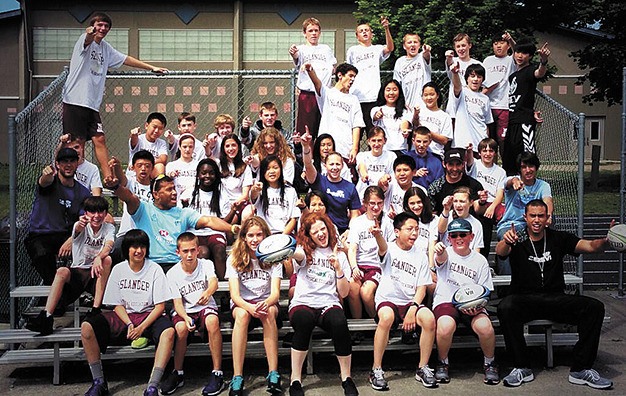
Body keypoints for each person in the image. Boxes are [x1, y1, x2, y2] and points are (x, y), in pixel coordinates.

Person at [496, 200, 613, 390]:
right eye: (532, 216)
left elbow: (591, 246)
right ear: (525, 218)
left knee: (594, 307)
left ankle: (581, 369)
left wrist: (606, 240)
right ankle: (521, 366)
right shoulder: (516, 239)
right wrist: (506, 241)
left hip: (554, 298)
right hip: (525, 299)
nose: (536, 220)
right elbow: (502, 253)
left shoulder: (558, 238)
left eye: (540, 216)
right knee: (506, 307)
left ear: (547, 218)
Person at [62, 12, 168, 180]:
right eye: (99, 25)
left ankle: (109, 178)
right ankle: (71, 179)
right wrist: (89, 33)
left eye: (106, 26)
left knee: (100, 139)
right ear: (93, 26)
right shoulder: (84, 40)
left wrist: (151, 68)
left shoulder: (106, 48)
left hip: (92, 105)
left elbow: (126, 59)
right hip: (74, 101)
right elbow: (88, 39)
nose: (102, 29)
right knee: (76, 144)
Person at [80, 230, 174, 396]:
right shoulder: (118, 269)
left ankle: (153, 386)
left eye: (143, 246)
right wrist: (130, 324)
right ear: (127, 249)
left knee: (168, 332)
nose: (139, 251)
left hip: (148, 314)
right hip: (124, 316)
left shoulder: (155, 269)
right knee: (87, 327)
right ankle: (99, 382)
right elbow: (116, 305)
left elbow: (160, 306)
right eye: (134, 247)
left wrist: (141, 327)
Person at [286, 212, 358, 396]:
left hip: (328, 303)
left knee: (339, 322)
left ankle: (346, 378)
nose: (320, 234)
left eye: (323, 229)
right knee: (303, 321)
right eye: (315, 231)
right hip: (303, 303)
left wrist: (339, 269)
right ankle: (295, 380)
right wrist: (286, 249)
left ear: (329, 229)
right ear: (309, 235)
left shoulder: (339, 255)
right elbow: (297, 255)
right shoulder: (305, 250)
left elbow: (343, 293)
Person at [102, 173, 232, 272]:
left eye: (174, 188)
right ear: (156, 194)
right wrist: (116, 187)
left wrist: (233, 229)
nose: (175, 193)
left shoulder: (183, 213)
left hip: (176, 266)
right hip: (149, 265)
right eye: (169, 190)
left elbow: (209, 220)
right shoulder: (143, 209)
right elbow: (129, 197)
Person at [25, 196, 114, 335]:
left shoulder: (109, 227)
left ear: (106, 213)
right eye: (92, 212)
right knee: (61, 271)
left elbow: (109, 245)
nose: (97, 216)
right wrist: (80, 225)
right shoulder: (80, 226)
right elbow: (77, 229)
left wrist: (98, 257)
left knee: (107, 259)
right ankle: (46, 316)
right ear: (86, 213)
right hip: (78, 272)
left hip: (96, 275)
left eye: (100, 212)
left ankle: (95, 309)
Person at [370, 212, 437, 390]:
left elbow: (422, 287)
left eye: (417, 229)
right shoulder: (389, 248)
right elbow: (382, 248)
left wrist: (413, 308)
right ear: (397, 232)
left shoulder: (421, 254)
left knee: (429, 319)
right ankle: (376, 369)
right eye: (409, 229)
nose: (414, 233)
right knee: (385, 318)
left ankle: (422, 368)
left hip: (410, 301)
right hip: (388, 300)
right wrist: (378, 235)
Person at [432, 218, 498, 385]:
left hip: (472, 302)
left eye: (463, 234)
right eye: (454, 235)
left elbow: (486, 290)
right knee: (446, 326)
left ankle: (489, 363)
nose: (458, 238)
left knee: (485, 327)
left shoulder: (480, 260)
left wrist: (478, 307)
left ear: (471, 236)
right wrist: (439, 251)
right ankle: (442, 362)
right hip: (446, 300)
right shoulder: (445, 252)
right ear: (449, 238)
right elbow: (441, 259)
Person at [226, 217, 283, 396]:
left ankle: (273, 373)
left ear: (266, 235)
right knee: (242, 316)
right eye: (250, 235)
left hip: (267, 301)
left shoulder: (274, 257)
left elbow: (275, 294)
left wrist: (263, 305)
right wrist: (250, 308)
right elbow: (235, 295)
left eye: (259, 234)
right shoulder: (234, 258)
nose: (254, 239)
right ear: (243, 237)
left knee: (268, 314)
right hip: (242, 304)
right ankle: (237, 376)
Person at [162, 232, 224, 396]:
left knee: (212, 321)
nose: (189, 255)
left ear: (198, 250)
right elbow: (177, 303)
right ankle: (178, 372)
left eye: (192, 250)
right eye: (185, 251)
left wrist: (208, 293)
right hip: (185, 309)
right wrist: (186, 317)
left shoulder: (206, 264)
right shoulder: (173, 273)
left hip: (204, 306)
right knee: (181, 328)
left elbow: (214, 282)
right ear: (178, 252)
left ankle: (217, 372)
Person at [25, 148, 92, 285]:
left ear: (77, 164)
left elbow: (83, 221)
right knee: (42, 255)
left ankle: (72, 289)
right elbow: (44, 182)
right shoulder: (51, 183)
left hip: (66, 234)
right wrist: (46, 175)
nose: (68, 165)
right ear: (57, 164)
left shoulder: (83, 191)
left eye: (72, 161)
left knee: (89, 251)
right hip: (41, 234)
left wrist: (71, 240)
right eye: (64, 161)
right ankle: (59, 293)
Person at [496, 152, 553, 274]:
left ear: (536, 167)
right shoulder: (512, 181)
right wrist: (515, 181)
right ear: (519, 169)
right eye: (523, 167)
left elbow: (547, 201)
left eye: (531, 166)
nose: (528, 170)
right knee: (507, 240)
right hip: (510, 224)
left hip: (533, 225)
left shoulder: (543, 185)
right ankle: (506, 284)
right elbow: (510, 182)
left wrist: (548, 215)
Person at [305, 62, 365, 177]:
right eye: (350, 76)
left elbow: (356, 125)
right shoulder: (328, 93)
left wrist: (355, 148)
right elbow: (317, 83)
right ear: (340, 75)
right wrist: (310, 70)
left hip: (345, 147)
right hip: (326, 147)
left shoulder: (354, 100)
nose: (352, 80)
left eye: (354, 77)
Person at [503, 39, 551, 175]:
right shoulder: (513, 76)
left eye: (524, 53)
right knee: (509, 157)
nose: (519, 55)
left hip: (524, 121)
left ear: (530, 56)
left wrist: (543, 61)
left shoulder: (530, 71)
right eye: (517, 52)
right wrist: (511, 42)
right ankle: (512, 188)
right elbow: (515, 48)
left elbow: (539, 73)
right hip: (512, 121)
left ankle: (530, 188)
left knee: (527, 157)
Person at [347, 186, 394, 322]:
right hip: (360, 265)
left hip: (378, 266)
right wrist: (354, 267)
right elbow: (352, 248)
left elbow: (390, 250)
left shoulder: (388, 223)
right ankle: (358, 326)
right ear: (365, 203)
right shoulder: (357, 222)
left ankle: (379, 322)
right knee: (352, 288)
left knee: (366, 292)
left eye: (379, 203)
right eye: (372, 203)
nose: (376, 207)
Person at [301, 129, 361, 234]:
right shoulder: (318, 180)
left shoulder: (350, 188)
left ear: (342, 166)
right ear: (325, 166)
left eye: (337, 164)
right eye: (331, 164)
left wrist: (350, 231)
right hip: (319, 229)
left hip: (342, 230)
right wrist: (306, 146)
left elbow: (354, 214)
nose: (334, 168)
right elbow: (308, 164)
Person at [181, 158, 232, 280]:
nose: (207, 176)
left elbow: (224, 221)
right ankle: (201, 285)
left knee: (219, 251)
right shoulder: (188, 194)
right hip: (195, 233)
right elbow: (182, 217)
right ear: (198, 174)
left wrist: (234, 210)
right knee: (202, 253)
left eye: (211, 173)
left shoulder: (222, 194)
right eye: (203, 173)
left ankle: (224, 289)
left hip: (215, 233)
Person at [290, 17, 337, 142]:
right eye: (310, 31)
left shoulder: (326, 49)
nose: (314, 33)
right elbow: (296, 58)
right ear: (304, 33)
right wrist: (293, 53)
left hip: (324, 94)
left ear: (320, 32)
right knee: (306, 132)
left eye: (316, 30)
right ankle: (306, 158)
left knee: (324, 130)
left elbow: (333, 67)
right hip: (308, 95)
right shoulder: (301, 49)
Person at [347, 16, 394, 136]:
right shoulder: (353, 50)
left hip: (374, 98)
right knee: (355, 134)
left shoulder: (377, 49)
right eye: (361, 31)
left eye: (367, 30)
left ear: (371, 33)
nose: (364, 32)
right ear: (357, 36)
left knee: (374, 134)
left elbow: (390, 48)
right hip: (357, 98)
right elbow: (348, 72)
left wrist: (386, 28)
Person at [109, 150, 154, 264]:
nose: (143, 169)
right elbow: (121, 179)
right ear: (133, 167)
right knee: (115, 253)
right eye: (139, 166)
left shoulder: (156, 187)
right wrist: (117, 167)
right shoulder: (131, 183)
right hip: (126, 233)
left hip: (148, 234)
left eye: (147, 166)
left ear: (152, 168)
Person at [466, 138, 507, 259]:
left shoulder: (500, 172)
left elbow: (500, 193)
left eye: (491, 151)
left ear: (495, 153)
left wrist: (493, 207)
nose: (488, 154)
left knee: (487, 228)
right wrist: (469, 151)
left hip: (491, 204)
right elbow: (468, 162)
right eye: (485, 150)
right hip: (475, 201)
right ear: (479, 153)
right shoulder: (475, 165)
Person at [482, 32, 516, 155]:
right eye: (495, 44)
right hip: (489, 106)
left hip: (504, 106)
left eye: (501, 43)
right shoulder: (487, 60)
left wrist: (511, 39)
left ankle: (506, 168)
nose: (498, 46)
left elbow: (516, 50)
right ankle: (492, 166)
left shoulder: (511, 60)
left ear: (507, 45)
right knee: (490, 141)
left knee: (503, 139)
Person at [249, 155, 301, 235]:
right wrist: (255, 189)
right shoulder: (260, 189)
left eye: (275, 167)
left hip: (285, 234)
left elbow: (293, 219)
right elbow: (253, 196)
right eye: (267, 169)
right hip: (265, 235)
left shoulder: (290, 191)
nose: (272, 171)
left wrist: (282, 237)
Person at [449, 61, 493, 153]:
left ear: (482, 80)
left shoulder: (485, 99)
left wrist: (485, 143)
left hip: (480, 143)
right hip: (462, 143)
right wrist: (455, 73)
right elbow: (457, 86)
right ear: (467, 78)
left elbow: (487, 123)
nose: (475, 79)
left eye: (479, 77)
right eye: (472, 76)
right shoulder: (462, 92)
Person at [427, 148, 487, 215]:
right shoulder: (435, 188)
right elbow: (432, 213)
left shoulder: (474, 185)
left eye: (458, 164)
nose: (455, 169)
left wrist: (482, 202)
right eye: (451, 164)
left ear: (463, 164)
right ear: (444, 164)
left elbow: (479, 211)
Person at [216, 134, 253, 224]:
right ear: (223, 149)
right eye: (227, 146)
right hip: (224, 203)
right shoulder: (218, 165)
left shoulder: (245, 167)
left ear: (238, 147)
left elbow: (245, 195)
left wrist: (235, 204)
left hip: (240, 202)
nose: (231, 149)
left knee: (248, 213)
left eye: (233, 145)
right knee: (232, 219)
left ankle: (242, 237)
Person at [444, 33, 482, 118]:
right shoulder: (453, 61)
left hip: (472, 107)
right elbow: (449, 63)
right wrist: (449, 57)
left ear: (470, 45)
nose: (461, 49)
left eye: (463, 45)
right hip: (454, 107)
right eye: (458, 46)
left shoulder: (477, 64)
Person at [370, 79, 413, 154]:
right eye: (388, 90)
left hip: (400, 149)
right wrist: (377, 115)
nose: (391, 93)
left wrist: (404, 130)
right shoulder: (376, 109)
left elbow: (405, 123)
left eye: (395, 89)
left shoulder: (406, 111)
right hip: (383, 149)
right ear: (383, 92)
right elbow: (375, 117)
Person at [437, 187, 484, 253]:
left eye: (462, 201)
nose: (458, 205)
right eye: (455, 201)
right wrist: (446, 209)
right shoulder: (447, 215)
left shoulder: (476, 224)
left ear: (471, 203)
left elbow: (477, 250)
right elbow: (440, 230)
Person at [414, 82, 453, 160]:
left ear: (437, 95)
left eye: (432, 94)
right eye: (425, 95)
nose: (429, 98)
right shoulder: (418, 111)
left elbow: (445, 140)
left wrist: (426, 132)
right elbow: (414, 126)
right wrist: (415, 116)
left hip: (435, 154)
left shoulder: (445, 116)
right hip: (417, 154)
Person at [355, 127, 397, 200]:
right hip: (364, 195)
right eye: (373, 140)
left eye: (379, 140)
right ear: (368, 141)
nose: (376, 144)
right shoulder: (362, 155)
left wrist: (385, 179)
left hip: (384, 195)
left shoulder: (391, 156)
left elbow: (392, 176)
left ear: (385, 141)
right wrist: (364, 174)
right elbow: (361, 166)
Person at [393, 33, 432, 109]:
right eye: (409, 42)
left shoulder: (422, 57)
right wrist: (401, 103)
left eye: (415, 42)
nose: (412, 44)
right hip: (407, 105)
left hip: (424, 105)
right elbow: (396, 84)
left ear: (419, 45)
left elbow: (426, 54)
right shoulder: (400, 62)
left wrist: (427, 50)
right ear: (404, 46)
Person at [128, 112, 169, 177]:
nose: (156, 131)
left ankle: (156, 186)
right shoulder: (138, 138)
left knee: (160, 166)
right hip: (135, 173)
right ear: (146, 126)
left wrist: (146, 163)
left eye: (160, 128)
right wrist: (134, 134)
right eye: (154, 127)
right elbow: (133, 139)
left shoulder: (161, 143)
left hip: (149, 174)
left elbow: (163, 159)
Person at [166, 133, 199, 202]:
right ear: (179, 147)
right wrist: (170, 175)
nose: (187, 149)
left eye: (190, 147)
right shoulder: (171, 165)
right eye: (184, 147)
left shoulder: (199, 165)